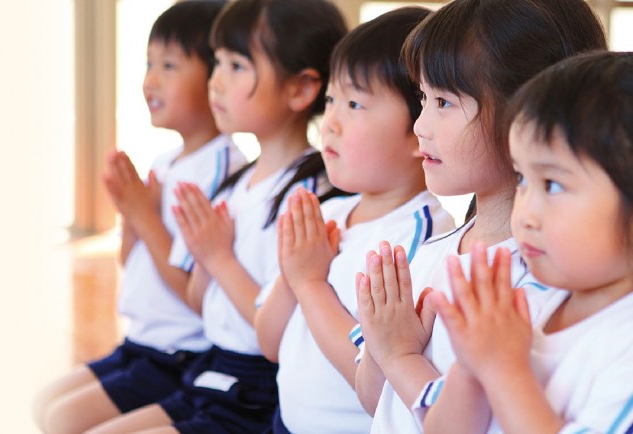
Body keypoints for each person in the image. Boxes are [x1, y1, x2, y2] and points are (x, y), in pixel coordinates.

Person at [86, 1, 347, 433]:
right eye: (217, 63)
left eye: (237, 65)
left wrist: (217, 257)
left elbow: (281, 333)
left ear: (300, 89)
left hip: (254, 388)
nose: (216, 81)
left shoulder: (312, 192)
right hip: (212, 369)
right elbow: (200, 302)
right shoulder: (236, 184)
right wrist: (198, 253)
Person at [351, 0, 607, 432]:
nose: (420, 125)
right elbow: (377, 401)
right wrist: (384, 348)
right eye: (422, 98)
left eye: (444, 102)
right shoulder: (432, 251)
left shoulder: (547, 277)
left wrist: (402, 356)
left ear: (526, 111)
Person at [32, 2, 248, 433]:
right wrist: (130, 216)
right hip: (140, 343)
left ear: (215, 79)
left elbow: (193, 291)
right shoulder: (167, 161)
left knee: (62, 420)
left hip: (179, 353)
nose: (150, 80)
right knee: (43, 403)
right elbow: (130, 262)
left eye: (169, 65)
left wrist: (144, 216)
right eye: (149, 63)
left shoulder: (224, 167)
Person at [253, 7, 456, 434]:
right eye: (330, 100)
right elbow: (269, 344)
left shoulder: (417, 239)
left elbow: (371, 383)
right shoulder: (327, 215)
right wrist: (295, 277)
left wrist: (310, 284)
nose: (331, 123)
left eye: (355, 103)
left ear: (418, 127)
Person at [424, 50, 633, 434]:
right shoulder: (529, 297)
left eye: (552, 184)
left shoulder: (623, 345)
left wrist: (503, 368)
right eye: (522, 179)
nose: (525, 213)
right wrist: (473, 366)